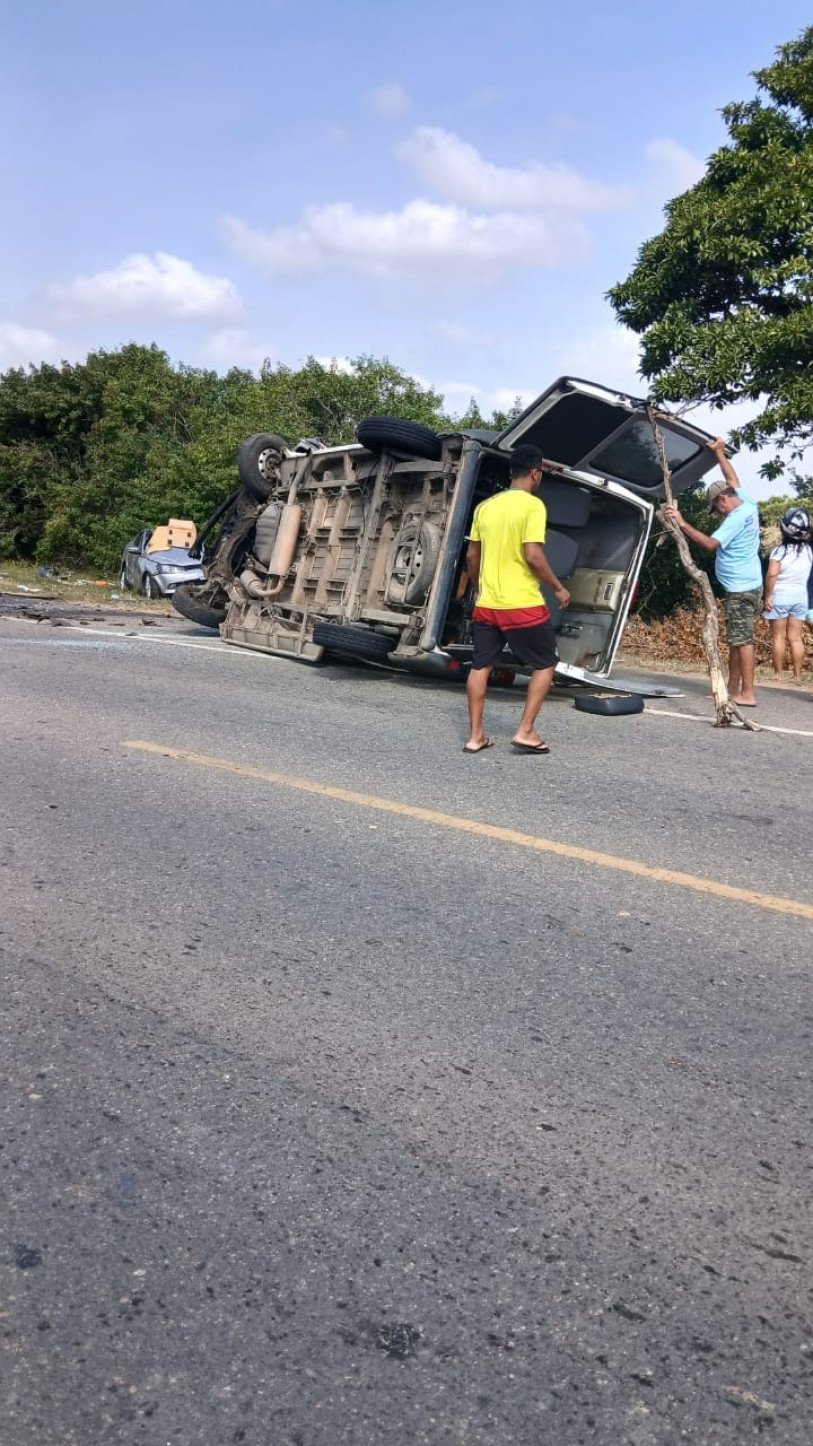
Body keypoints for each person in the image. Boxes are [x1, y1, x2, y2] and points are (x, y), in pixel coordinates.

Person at [463, 444, 571, 754]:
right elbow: (533, 555)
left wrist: (478, 587)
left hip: (487, 604)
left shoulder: (485, 507)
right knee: (546, 663)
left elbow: (472, 555)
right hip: (521, 603)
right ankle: (525, 731)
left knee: (481, 665)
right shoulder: (532, 506)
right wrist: (558, 588)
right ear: (535, 473)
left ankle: (475, 736)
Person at [663, 437, 762, 707]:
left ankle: (748, 693)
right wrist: (719, 452)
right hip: (748, 584)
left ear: (722, 500)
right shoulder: (747, 502)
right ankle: (731, 687)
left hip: (741, 588)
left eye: (715, 508)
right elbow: (732, 478)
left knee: (743, 641)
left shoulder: (734, 519)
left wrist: (682, 523)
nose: (716, 513)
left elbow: (709, 544)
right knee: (736, 639)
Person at [763, 506, 812, 683]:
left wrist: (768, 596)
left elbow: (772, 575)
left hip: (781, 595)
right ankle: (798, 675)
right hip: (800, 596)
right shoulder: (808, 551)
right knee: (796, 638)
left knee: (778, 637)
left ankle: (778, 674)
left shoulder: (779, 551)